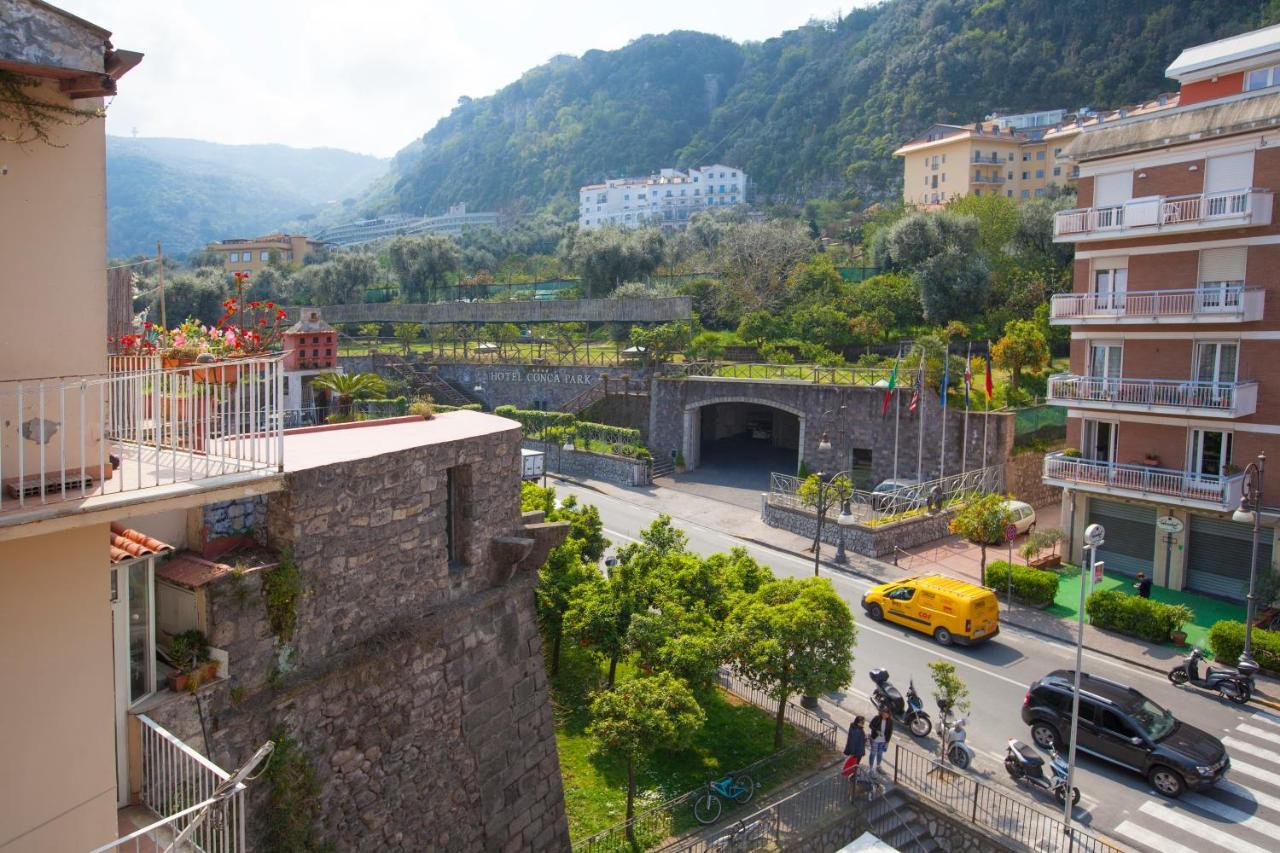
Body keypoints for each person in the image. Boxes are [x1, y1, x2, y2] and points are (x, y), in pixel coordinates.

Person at [842, 716, 866, 801]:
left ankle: (853, 775)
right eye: (862, 722)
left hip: (856, 751)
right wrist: (853, 753)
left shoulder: (854, 727)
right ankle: (853, 776)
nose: (863, 724)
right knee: (855, 764)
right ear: (858, 722)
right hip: (857, 752)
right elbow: (854, 742)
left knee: (855, 765)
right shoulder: (857, 730)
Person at [868, 708, 894, 774]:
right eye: (884, 714)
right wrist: (876, 731)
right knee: (873, 753)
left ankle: (878, 766)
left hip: (883, 741)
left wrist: (887, 742)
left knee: (880, 754)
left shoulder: (890, 721)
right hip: (875, 739)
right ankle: (870, 768)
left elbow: (890, 732)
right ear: (881, 713)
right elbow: (870, 725)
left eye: (886, 714)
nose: (885, 716)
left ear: (889, 715)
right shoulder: (877, 718)